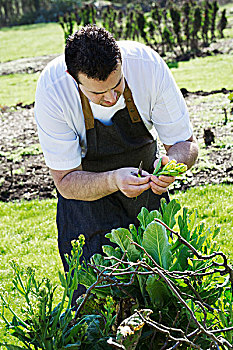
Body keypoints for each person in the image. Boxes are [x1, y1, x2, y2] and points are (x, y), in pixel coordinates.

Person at [34, 25, 198, 297]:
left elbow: (186, 144)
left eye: (117, 84)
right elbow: (64, 181)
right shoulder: (53, 91)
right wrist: (113, 179)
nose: (110, 98)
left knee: (157, 289)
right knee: (96, 297)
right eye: (98, 93)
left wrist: (172, 165)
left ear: (120, 60)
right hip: (85, 200)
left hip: (145, 190)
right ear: (72, 78)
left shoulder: (148, 66)